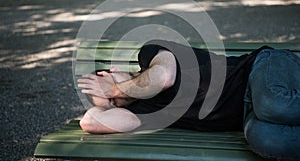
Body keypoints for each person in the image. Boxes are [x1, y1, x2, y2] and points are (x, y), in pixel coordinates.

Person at [77, 40, 300, 160]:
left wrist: (115, 89)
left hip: (261, 68)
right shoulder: (146, 113)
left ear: (114, 70)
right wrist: (106, 101)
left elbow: (164, 78)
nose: (117, 99)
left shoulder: (151, 53)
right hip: (249, 116)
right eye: (111, 102)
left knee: (271, 104)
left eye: (110, 88)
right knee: (264, 139)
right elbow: (90, 122)